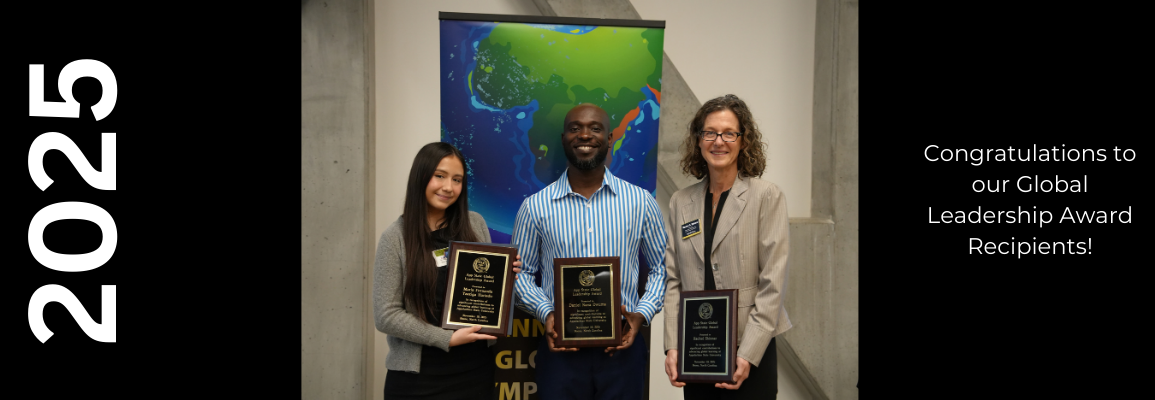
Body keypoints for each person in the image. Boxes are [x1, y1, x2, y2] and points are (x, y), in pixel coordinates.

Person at [511, 103, 668, 399]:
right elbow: (521, 274)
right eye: (575, 128)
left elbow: (663, 268)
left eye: (595, 128)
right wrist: (546, 314)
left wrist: (641, 314)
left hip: (622, 347)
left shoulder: (640, 202)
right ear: (563, 138)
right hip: (560, 351)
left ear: (610, 139)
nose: (585, 135)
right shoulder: (534, 207)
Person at [661, 94, 793, 399]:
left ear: (743, 141)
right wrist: (672, 345)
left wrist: (746, 355)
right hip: (697, 350)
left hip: (749, 349)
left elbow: (773, 284)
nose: (718, 141)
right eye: (710, 133)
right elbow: (673, 280)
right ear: (698, 140)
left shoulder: (766, 197)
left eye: (728, 133)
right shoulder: (681, 201)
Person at [373, 142, 520, 400]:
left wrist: (505, 277)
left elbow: (485, 293)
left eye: (457, 179)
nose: (448, 187)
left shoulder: (475, 223)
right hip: (419, 378)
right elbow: (386, 315)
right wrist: (446, 338)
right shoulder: (395, 237)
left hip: (476, 370)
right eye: (439, 176)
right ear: (421, 177)